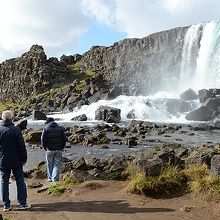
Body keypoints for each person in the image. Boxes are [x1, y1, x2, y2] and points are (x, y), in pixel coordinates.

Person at [0, 110, 31, 211]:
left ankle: (6, 205)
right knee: (20, 181)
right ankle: (22, 203)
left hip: (3, 161)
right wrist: (24, 158)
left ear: (3, 118)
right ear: (12, 118)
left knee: (4, 182)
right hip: (16, 161)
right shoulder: (16, 130)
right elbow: (21, 146)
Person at [41, 117, 67, 182]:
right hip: (58, 149)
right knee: (57, 164)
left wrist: (44, 147)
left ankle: (50, 178)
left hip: (49, 149)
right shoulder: (60, 128)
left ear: (47, 122)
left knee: (49, 164)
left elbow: (43, 140)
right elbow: (64, 139)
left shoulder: (46, 128)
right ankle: (55, 179)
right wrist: (62, 147)